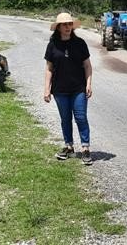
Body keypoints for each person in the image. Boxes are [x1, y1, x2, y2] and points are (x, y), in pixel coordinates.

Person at [43, 13, 94, 165]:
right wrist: (47, 89)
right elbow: (49, 69)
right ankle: (69, 146)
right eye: (64, 24)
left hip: (78, 88)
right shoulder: (52, 45)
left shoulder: (80, 43)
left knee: (81, 117)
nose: (68, 27)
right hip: (59, 89)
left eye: (70, 24)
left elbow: (87, 66)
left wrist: (88, 84)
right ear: (58, 27)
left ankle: (85, 148)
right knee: (65, 119)